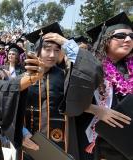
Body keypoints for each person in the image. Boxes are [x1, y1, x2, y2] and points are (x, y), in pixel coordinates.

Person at [64, 12, 133, 160]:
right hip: (98, 143)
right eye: (120, 36)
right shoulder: (89, 68)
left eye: (131, 36)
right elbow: (69, 101)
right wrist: (97, 110)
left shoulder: (131, 69)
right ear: (105, 40)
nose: (128, 39)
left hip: (128, 144)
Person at [21, 22, 77, 160]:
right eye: (47, 49)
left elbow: (88, 72)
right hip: (29, 143)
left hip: (59, 143)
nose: (52, 55)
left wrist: (69, 44)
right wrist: (20, 133)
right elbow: (11, 110)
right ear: (38, 50)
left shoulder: (66, 76)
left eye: (57, 50)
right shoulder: (23, 78)